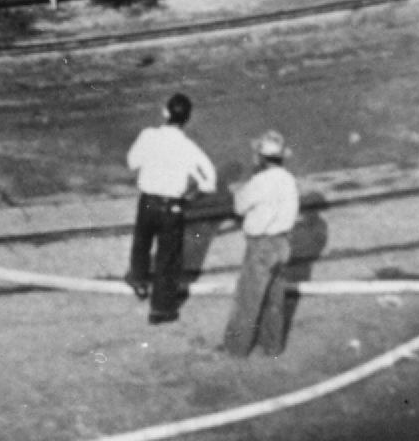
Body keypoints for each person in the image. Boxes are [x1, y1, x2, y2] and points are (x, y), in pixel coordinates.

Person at [126, 91, 218, 323]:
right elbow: (209, 181)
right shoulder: (189, 148)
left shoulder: (148, 136)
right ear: (187, 118)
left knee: (142, 242)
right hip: (172, 207)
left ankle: (138, 281)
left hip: (147, 201)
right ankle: (161, 309)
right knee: (168, 258)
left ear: (165, 112)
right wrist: (190, 197)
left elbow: (132, 162)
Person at [221, 132, 299, 357]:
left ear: (261, 158)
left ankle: (236, 348)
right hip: (283, 242)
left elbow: (239, 206)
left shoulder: (259, 182)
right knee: (274, 299)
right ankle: (272, 345)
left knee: (248, 298)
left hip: (261, 246)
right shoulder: (288, 180)